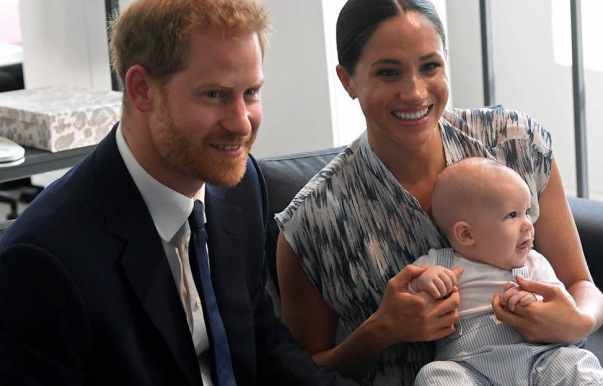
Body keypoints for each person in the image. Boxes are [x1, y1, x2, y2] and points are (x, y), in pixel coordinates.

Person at [0, 0, 359, 385]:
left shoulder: (239, 188)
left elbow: (263, 344)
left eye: (251, 92)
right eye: (214, 95)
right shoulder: (43, 261)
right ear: (142, 90)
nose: (241, 124)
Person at [275, 0, 603, 384]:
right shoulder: (312, 222)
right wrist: (382, 329)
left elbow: (581, 285)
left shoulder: (515, 144)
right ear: (347, 80)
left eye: (430, 66)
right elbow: (298, 375)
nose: (415, 93)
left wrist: (577, 321)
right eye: (388, 72)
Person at [408, 157, 603, 386]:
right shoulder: (440, 263)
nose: (528, 224)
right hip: (470, 367)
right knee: (433, 375)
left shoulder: (534, 263)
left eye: (527, 212)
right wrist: (423, 282)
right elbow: (406, 291)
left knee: (573, 361)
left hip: (539, 359)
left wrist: (534, 301)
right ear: (466, 234)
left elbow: (562, 304)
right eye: (512, 215)